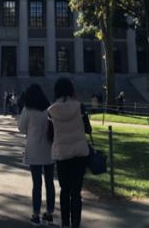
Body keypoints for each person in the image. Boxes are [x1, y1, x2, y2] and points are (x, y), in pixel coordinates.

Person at [48, 78, 91, 228]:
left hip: (62, 153)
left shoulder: (51, 110)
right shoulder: (80, 106)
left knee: (65, 190)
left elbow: (49, 135)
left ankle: (65, 223)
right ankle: (76, 224)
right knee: (76, 193)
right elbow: (88, 129)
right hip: (80, 153)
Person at [18, 84, 55, 226]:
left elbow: (21, 128)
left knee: (37, 184)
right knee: (49, 183)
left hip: (34, 149)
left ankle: (36, 214)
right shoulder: (48, 109)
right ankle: (50, 213)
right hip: (49, 149)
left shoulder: (27, 110)